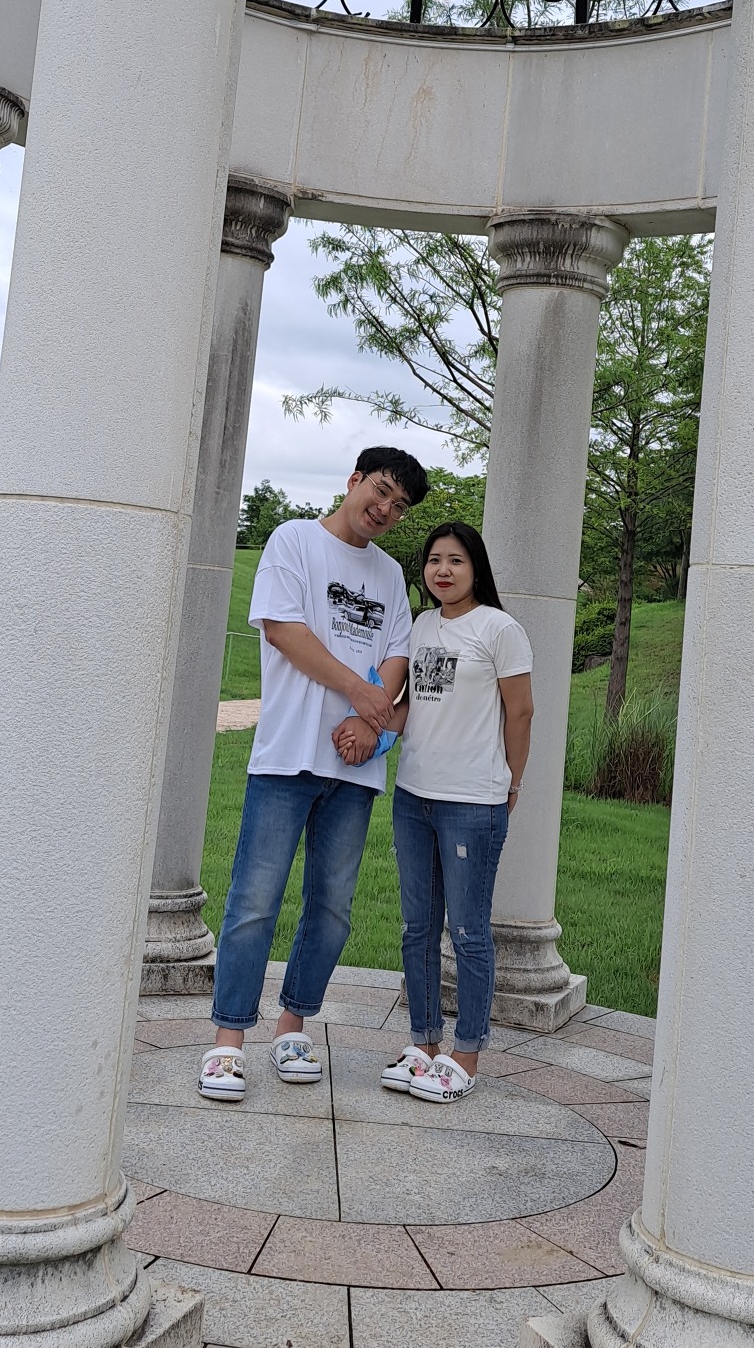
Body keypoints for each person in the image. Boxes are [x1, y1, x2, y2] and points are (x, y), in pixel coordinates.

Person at [198, 446, 429, 1102]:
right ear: (354, 480)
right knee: (254, 902)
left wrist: (371, 723)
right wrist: (361, 695)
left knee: (331, 909)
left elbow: (398, 656)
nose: (385, 509)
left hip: (355, 769)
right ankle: (227, 1042)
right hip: (288, 754)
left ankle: (293, 1027)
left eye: (399, 506)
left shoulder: (390, 575)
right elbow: (283, 630)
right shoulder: (294, 540)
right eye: (380, 491)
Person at [334, 521, 532, 1103]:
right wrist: (367, 728)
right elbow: (407, 707)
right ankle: (423, 1043)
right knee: (418, 927)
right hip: (414, 796)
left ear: (477, 568)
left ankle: (465, 1054)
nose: (443, 571)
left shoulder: (500, 629)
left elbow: (520, 713)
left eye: (456, 560)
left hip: (473, 800)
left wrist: (512, 781)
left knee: (468, 932)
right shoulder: (421, 626)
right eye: (434, 560)